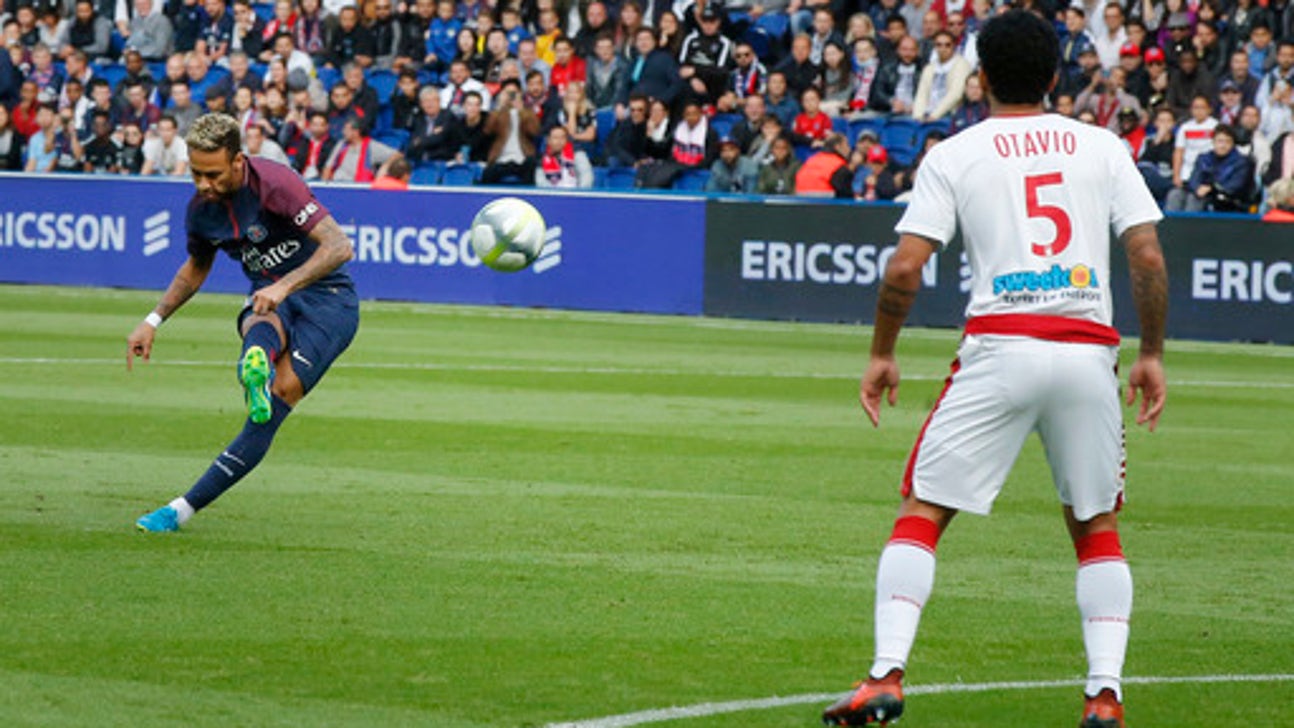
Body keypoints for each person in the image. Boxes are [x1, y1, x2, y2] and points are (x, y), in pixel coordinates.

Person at [821, 10, 1166, 728]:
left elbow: (906, 268)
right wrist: (1153, 354)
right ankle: (1105, 695)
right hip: (1085, 351)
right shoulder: (1102, 147)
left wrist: (883, 350)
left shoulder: (955, 153)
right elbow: (1147, 258)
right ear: (1053, 77)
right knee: (1096, 525)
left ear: (978, 79)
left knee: (923, 513)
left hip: (999, 348)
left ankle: (885, 677)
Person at [130, 113, 357, 533]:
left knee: (276, 399)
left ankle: (181, 508)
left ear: (238, 162)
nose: (203, 184)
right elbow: (196, 267)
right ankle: (256, 362)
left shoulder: (275, 183)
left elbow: (339, 246)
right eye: (196, 173)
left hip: (329, 302)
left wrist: (285, 285)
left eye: (212, 174)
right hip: (268, 301)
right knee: (260, 317)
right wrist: (153, 320)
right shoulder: (201, 210)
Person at [794, 131, 852, 197]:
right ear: (838, 147)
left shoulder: (811, 160)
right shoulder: (838, 166)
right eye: (847, 145)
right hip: (825, 204)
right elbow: (847, 198)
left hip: (801, 202)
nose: (849, 149)